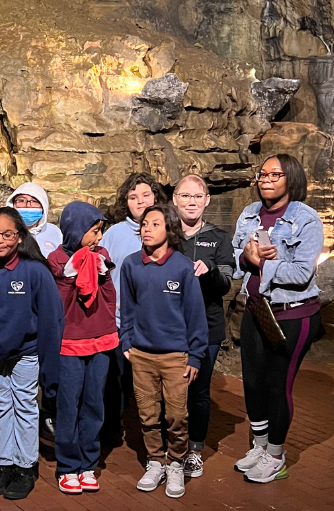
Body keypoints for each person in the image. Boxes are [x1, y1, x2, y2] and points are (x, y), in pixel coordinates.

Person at [231, 154, 324, 484]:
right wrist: (246, 255)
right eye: (263, 173)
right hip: (256, 309)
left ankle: (275, 455)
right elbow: (236, 255)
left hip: (293, 314)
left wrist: (265, 263)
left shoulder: (306, 219)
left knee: (276, 384)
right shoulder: (249, 214)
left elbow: (301, 273)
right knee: (252, 382)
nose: (266, 179)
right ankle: (258, 447)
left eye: (275, 174)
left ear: (291, 178)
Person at [0, 207, 64, 500]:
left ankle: (25, 466)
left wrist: (50, 367)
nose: (0, 240)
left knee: (25, 406)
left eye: (8, 234)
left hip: (26, 352)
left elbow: (51, 319)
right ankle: (4, 464)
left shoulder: (34, 271)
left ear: (19, 237)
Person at [119, 203, 207, 499]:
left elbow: (195, 314)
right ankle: (155, 460)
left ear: (169, 230)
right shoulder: (131, 265)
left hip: (175, 357)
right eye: (144, 224)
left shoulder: (183, 267)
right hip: (142, 355)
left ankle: (176, 463)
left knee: (177, 416)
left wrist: (195, 355)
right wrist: (126, 342)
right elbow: (127, 308)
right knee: (147, 414)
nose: (147, 229)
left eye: (155, 224)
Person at [46, 202, 117, 495]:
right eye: (93, 231)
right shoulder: (55, 259)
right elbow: (56, 305)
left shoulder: (102, 256)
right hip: (69, 342)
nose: (98, 238)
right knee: (68, 404)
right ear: (76, 229)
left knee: (94, 403)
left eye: (100, 231)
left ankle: (88, 463)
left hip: (99, 338)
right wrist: (68, 275)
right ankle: (67, 465)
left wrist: (100, 274)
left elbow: (110, 295)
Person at [171, 175, 235, 478]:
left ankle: (194, 450)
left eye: (198, 196)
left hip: (206, 328)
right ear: (175, 199)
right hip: (169, 328)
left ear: (207, 200)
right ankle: (169, 450)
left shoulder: (220, 238)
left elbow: (225, 284)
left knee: (198, 391)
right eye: (185, 196)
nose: (191, 202)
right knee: (167, 392)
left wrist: (209, 273)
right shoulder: (165, 235)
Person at [98, 172, 168, 445]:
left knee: (154, 381)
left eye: (146, 195)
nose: (140, 201)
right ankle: (111, 429)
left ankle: (155, 433)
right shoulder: (114, 234)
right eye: (133, 197)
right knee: (116, 381)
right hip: (118, 319)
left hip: (154, 322)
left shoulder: (167, 230)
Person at [7, 182, 62, 257]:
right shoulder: (4, 232)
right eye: (21, 200)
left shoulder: (54, 232)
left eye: (34, 201)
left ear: (43, 206)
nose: (28, 205)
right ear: (13, 205)